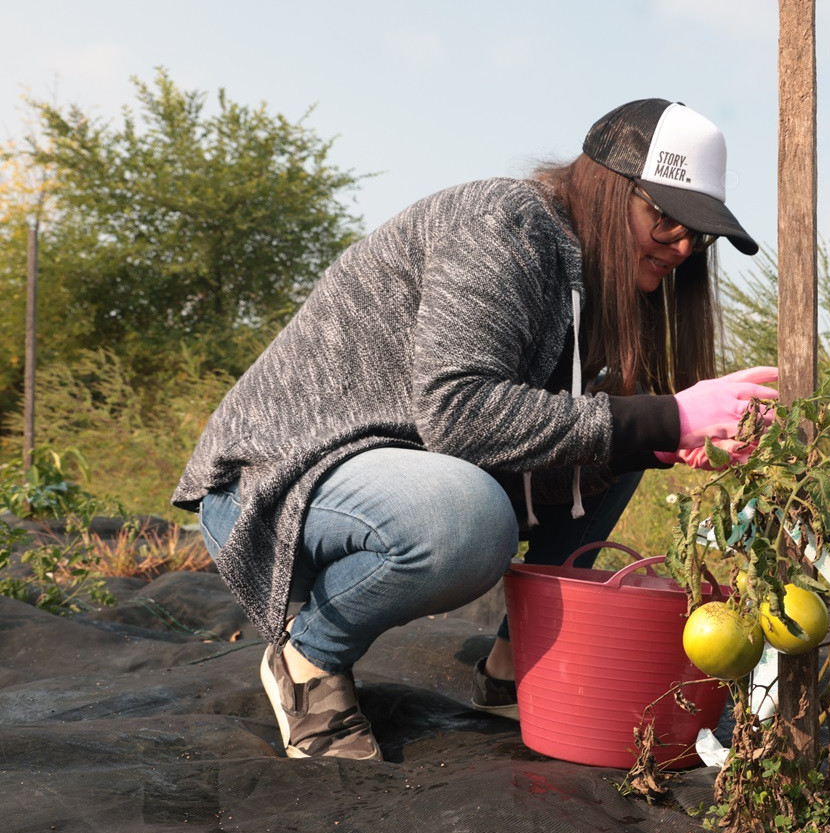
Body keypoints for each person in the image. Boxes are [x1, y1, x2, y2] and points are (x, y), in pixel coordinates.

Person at [173, 99, 779, 761]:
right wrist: (672, 415)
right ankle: (309, 660)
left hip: (396, 470)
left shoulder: (595, 282)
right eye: (665, 216)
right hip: (281, 478)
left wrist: (665, 432)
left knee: (624, 434)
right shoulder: (502, 224)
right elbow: (459, 414)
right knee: (470, 519)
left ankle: (514, 668)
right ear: (609, 190)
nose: (685, 245)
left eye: (700, 233)